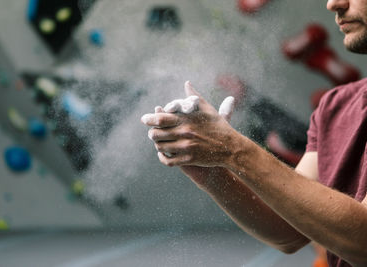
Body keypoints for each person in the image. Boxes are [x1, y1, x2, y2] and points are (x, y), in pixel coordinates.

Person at [140, 0, 367, 266]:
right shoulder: (334, 107)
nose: (333, 3)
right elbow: (290, 232)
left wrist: (232, 149)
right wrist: (210, 169)